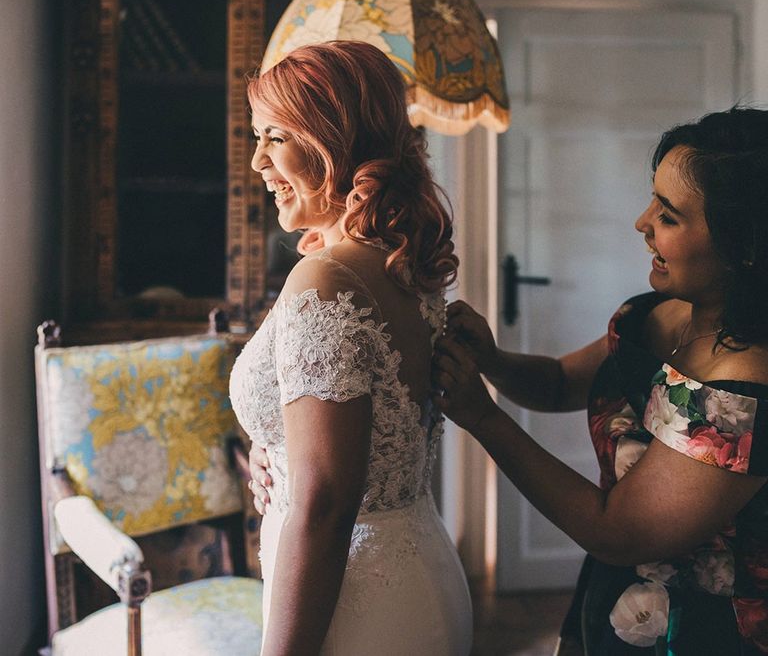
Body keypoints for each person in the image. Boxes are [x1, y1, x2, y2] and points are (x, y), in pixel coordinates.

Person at [432, 106, 768, 654]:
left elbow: (618, 531)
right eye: (652, 199)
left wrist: (482, 419)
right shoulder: (653, 316)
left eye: (669, 214)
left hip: (700, 634)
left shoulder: (743, 391)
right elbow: (562, 382)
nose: (641, 222)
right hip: (618, 603)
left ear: (746, 248)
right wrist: (493, 360)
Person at [229, 40, 472, 656]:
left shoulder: (328, 279)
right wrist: (276, 450)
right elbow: (365, 432)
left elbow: (329, 503)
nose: (256, 161)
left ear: (334, 142)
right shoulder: (394, 267)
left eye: (275, 137)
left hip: (356, 602)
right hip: (408, 567)